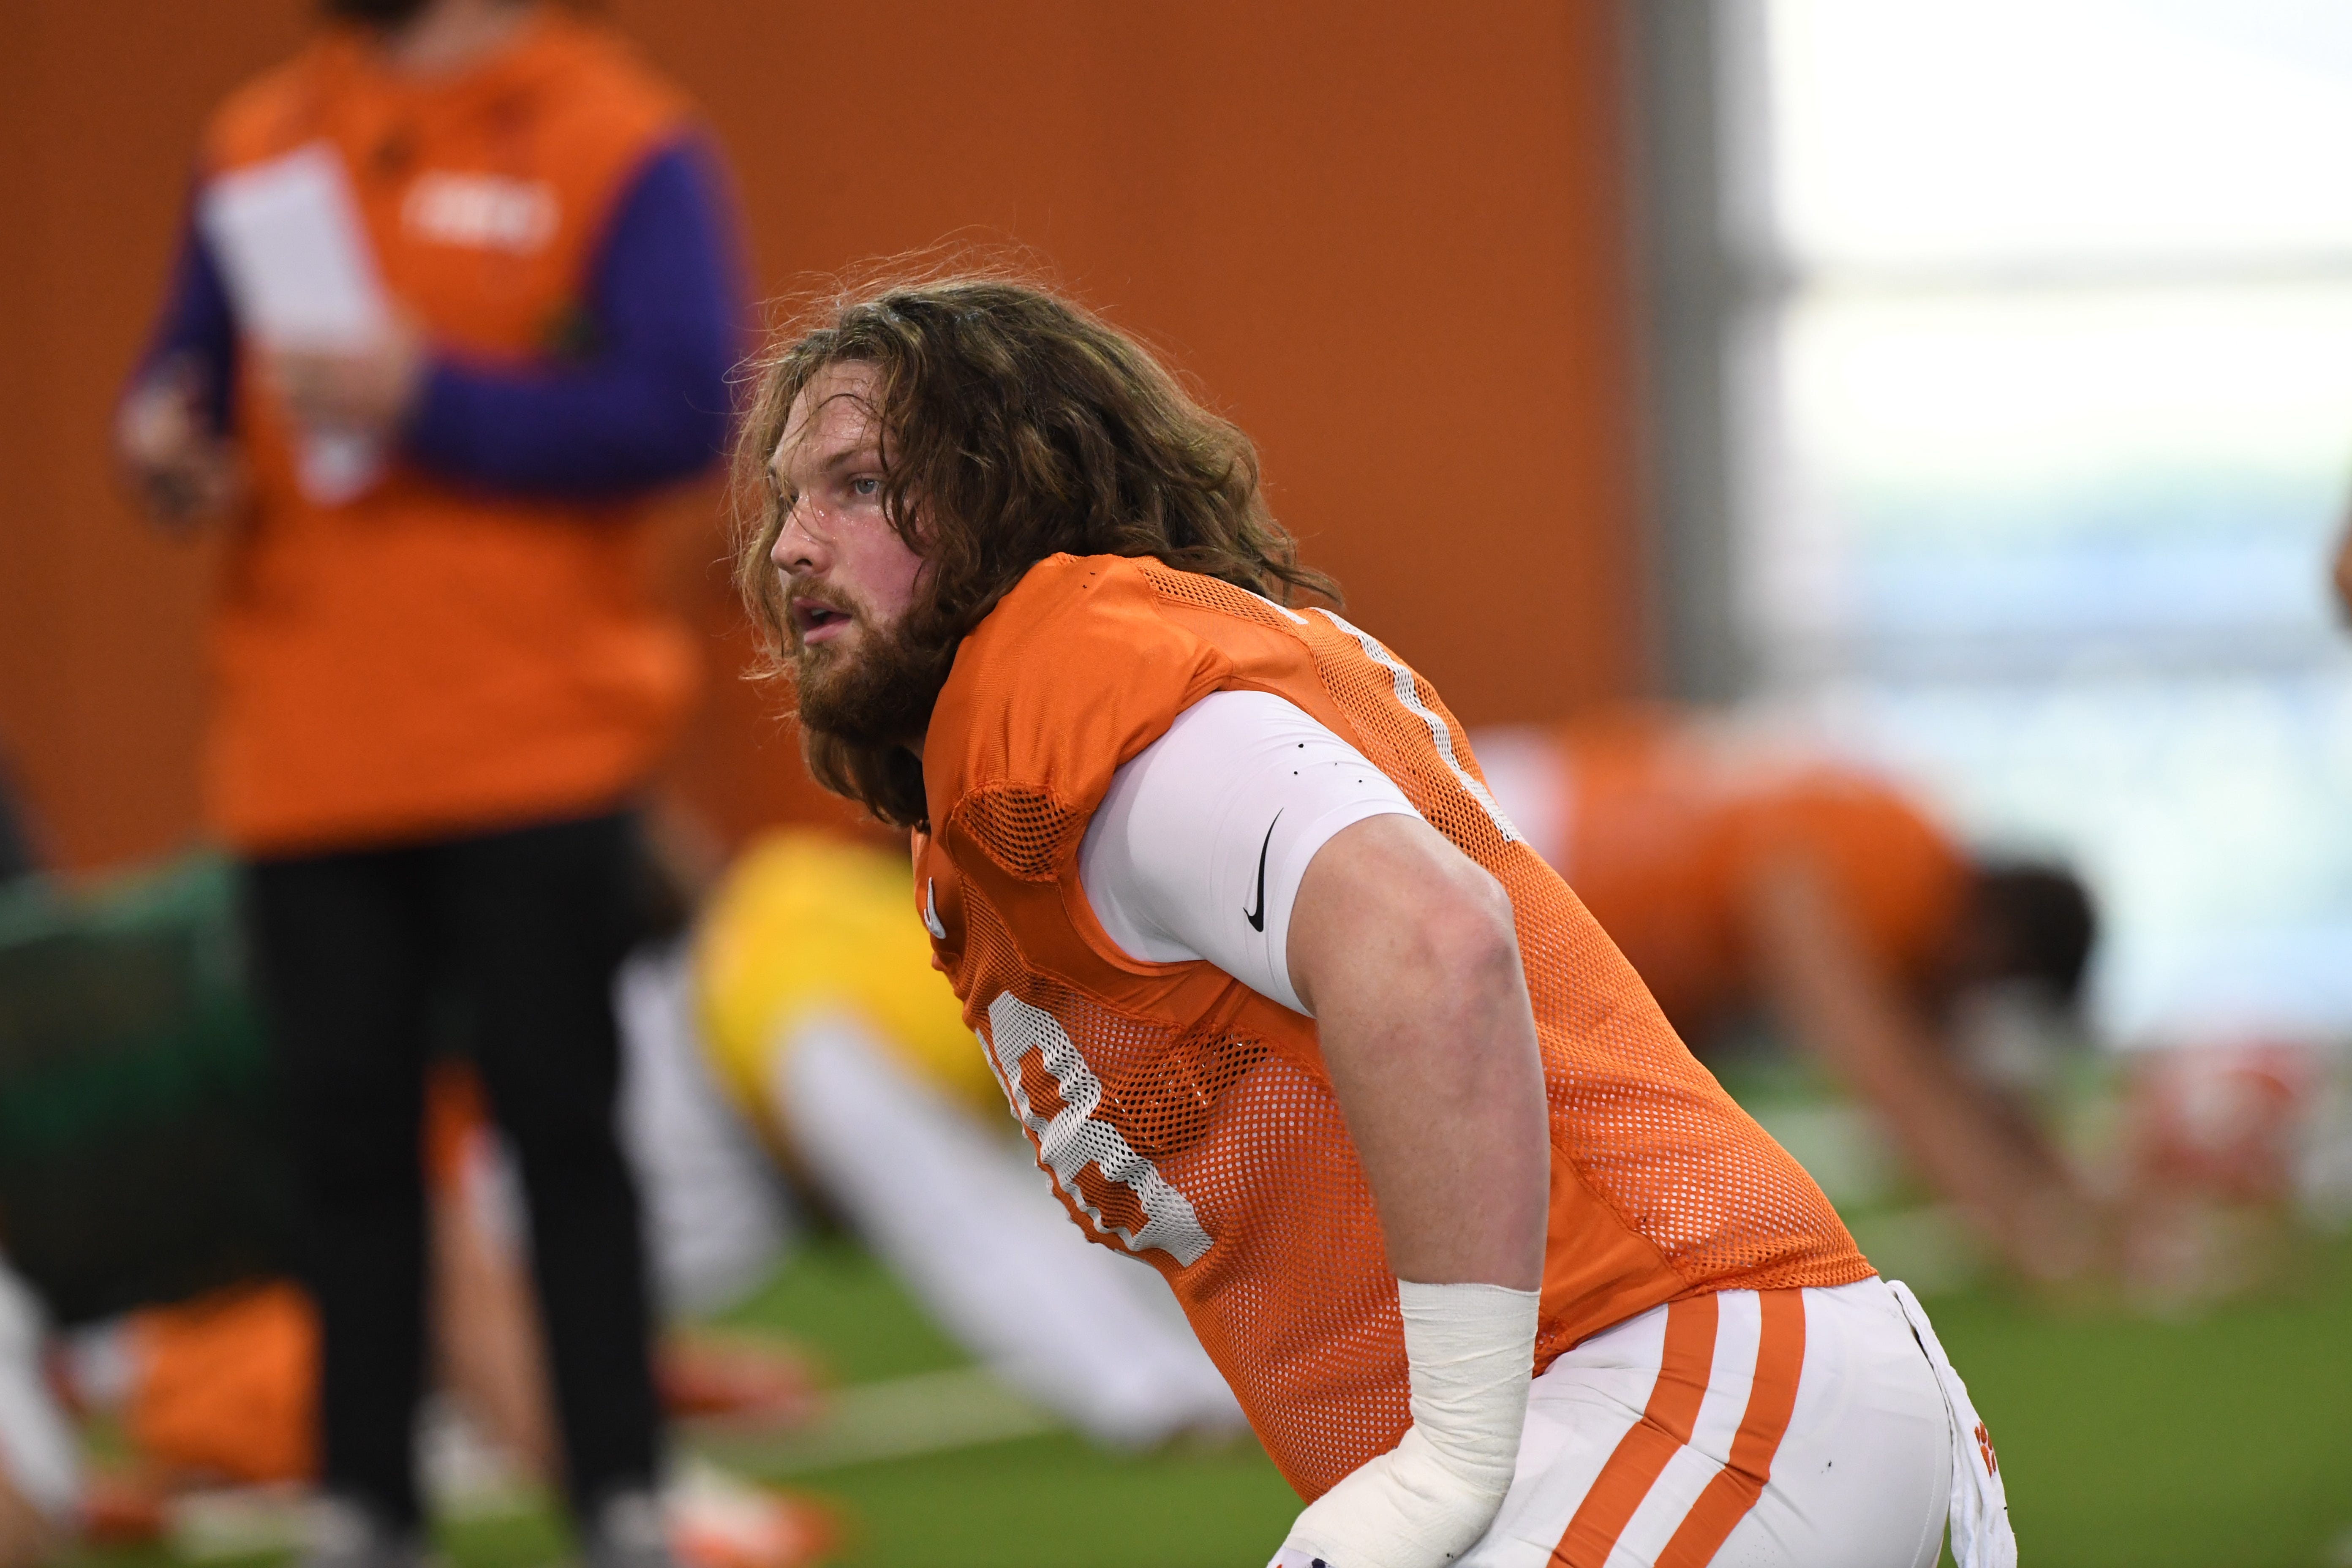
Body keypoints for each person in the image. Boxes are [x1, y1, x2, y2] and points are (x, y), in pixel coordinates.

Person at [730, 275, 2014, 1568]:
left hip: (1668, 1380)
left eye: (856, 483)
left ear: (1010, 487)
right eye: (789, 497)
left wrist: (1456, 1441)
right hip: (1655, 1395)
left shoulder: (1065, 677)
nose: (791, 544)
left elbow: (1433, 943)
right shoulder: (1017, 768)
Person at [112, 0, 745, 1564]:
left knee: (566, 1132)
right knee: (339, 1154)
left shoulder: (618, 135)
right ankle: (366, 1509)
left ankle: (622, 1496)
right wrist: (163, 442)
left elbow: (686, 405)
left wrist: (436, 401)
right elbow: (181, 375)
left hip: (536, 738)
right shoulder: (259, 135)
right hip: (305, 755)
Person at [1470, 709, 2104, 1283]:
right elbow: (1887, 1070)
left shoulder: (1902, 853)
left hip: (1525, 842)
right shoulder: (1892, 866)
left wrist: (2067, 1201)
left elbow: (1949, 1075)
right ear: (1992, 952)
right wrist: (2033, 1239)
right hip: (1504, 848)